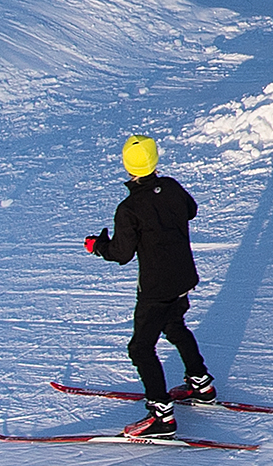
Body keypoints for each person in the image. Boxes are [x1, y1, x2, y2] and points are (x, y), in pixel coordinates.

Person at [85, 134, 209, 439]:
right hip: (182, 278)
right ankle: (201, 385)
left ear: (127, 165)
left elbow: (122, 254)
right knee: (176, 327)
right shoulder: (171, 186)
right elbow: (190, 210)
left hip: (156, 288)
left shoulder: (129, 208)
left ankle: (161, 414)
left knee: (140, 348)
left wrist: (98, 246)